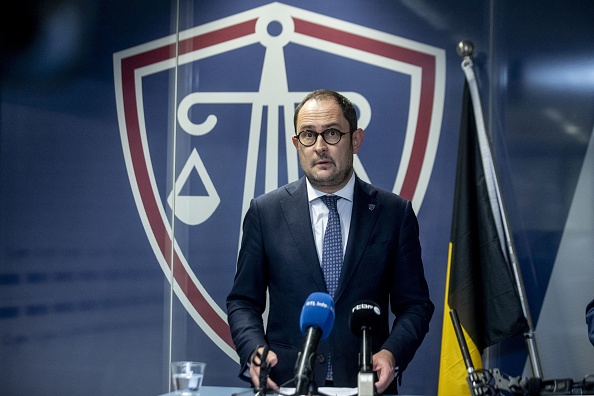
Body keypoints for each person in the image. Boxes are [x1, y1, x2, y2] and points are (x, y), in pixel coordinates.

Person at [226, 89, 434, 394]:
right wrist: (254, 350)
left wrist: (391, 354)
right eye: (308, 135)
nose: (320, 147)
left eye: (332, 133)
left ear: (356, 140)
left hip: (367, 385)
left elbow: (415, 305)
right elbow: (243, 301)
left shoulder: (394, 213)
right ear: (297, 144)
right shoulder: (265, 212)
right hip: (288, 383)